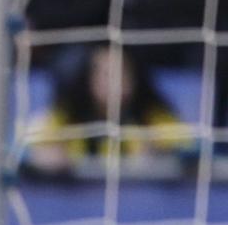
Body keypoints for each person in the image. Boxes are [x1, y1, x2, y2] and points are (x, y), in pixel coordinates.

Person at [27, 42, 191, 170]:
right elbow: (25, 148)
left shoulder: (151, 114)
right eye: (107, 75)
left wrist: (163, 155)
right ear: (88, 79)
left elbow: (191, 149)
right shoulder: (66, 115)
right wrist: (45, 155)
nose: (116, 83)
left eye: (123, 74)